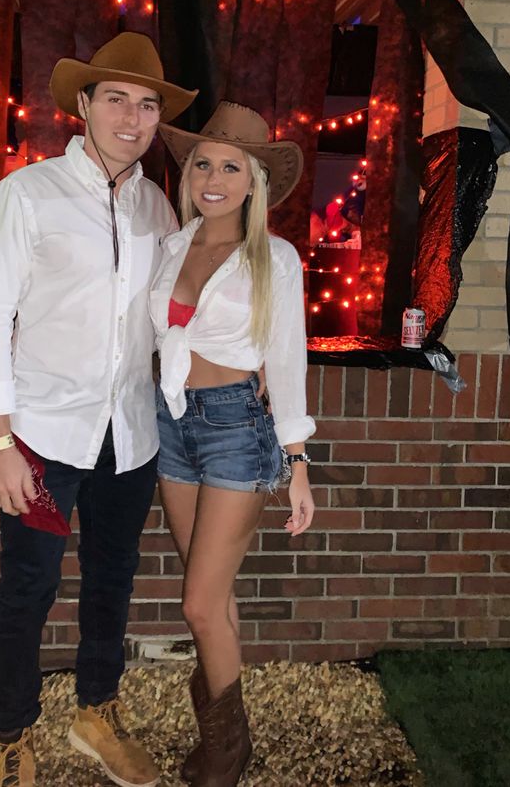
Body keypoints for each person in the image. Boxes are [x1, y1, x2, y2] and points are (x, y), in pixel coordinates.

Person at [0, 32, 197, 787]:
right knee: (29, 585)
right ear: (85, 106)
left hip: (126, 439)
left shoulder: (158, 207)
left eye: (148, 105)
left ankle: (96, 710)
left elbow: (170, 319)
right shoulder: (25, 196)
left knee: (111, 579)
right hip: (39, 438)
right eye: (117, 100)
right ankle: (11, 729)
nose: (132, 118)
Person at [149, 101, 317, 786]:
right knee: (210, 599)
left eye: (230, 167)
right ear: (187, 172)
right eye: (202, 163)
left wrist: (297, 462)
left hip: (234, 432)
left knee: (197, 602)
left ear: (254, 182)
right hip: (170, 425)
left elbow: (287, 361)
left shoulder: (272, 258)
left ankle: (226, 746)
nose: (213, 177)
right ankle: (222, 733)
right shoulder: (168, 245)